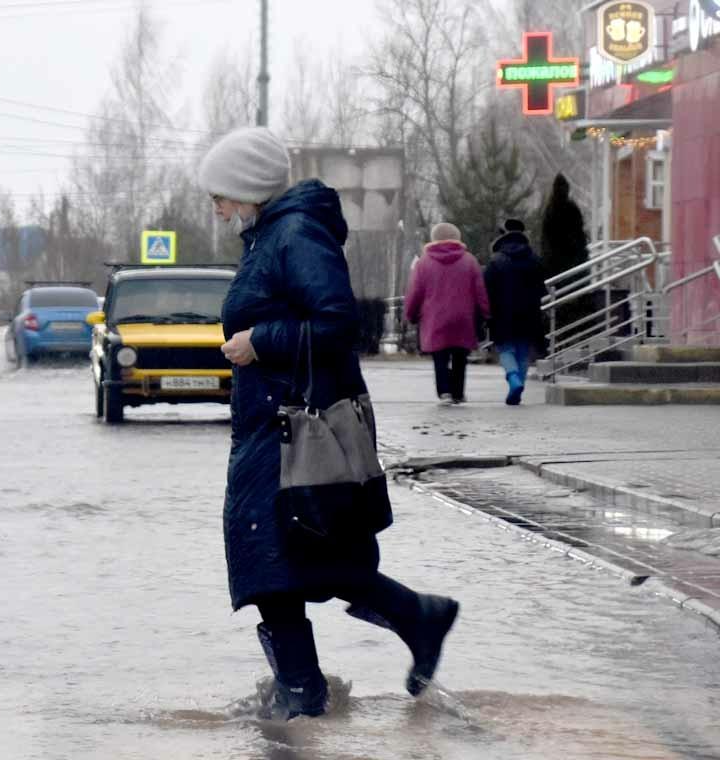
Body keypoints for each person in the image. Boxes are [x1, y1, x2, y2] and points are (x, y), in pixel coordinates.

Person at [198, 126, 460, 721]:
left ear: (245, 188)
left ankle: (304, 695)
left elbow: (339, 323)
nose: (213, 204)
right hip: (271, 423)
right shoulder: (269, 236)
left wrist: (260, 341)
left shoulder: (294, 234)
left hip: (293, 426)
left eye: (219, 192)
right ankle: (398, 629)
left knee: (280, 554)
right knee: (284, 556)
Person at [404, 223, 490, 405]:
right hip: (463, 317)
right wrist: (485, 312)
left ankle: (444, 393)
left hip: (434, 318)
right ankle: (458, 393)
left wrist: (410, 314)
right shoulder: (469, 261)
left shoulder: (423, 263)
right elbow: (480, 291)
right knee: (460, 356)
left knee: (439, 357)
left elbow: (415, 292)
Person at [485, 219, 546, 405]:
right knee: (522, 352)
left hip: (502, 313)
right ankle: (519, 387)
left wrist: (487, 313)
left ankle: (513, 379)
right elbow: (541, 289)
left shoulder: (496, 261)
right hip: (529, 313)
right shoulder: (534, 260)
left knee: (506, 349)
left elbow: (487, 289)